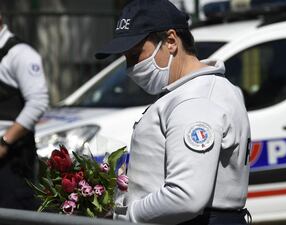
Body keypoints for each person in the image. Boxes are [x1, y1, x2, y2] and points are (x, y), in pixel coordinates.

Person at [95, 0, 251, 224]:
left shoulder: (197, 100)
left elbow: (185, 196)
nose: (130, 67)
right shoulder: (191, 92)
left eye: (135, 54)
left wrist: (129, 215)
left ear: (170, 41)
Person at [0, 13, 49, 210]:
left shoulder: (20, 54)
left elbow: (38, 103)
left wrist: (4, 143)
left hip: (12, 159)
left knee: (14, 214)